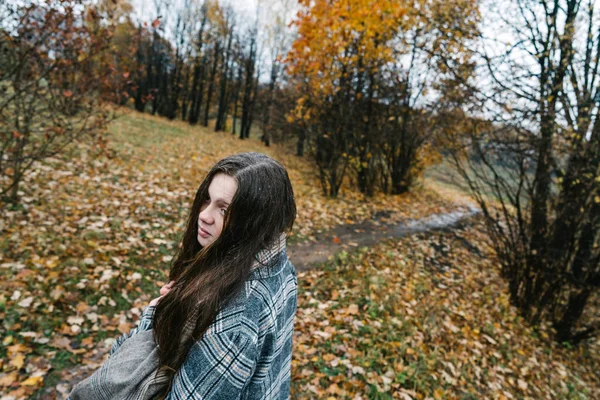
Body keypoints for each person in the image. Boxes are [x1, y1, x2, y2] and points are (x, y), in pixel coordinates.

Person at [73, 152, 298, 400]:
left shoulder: (232, 326)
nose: (204, 215)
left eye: (224, 210)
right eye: (207, 199)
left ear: (254, 222)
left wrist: (157, 313)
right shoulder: (279, 264)